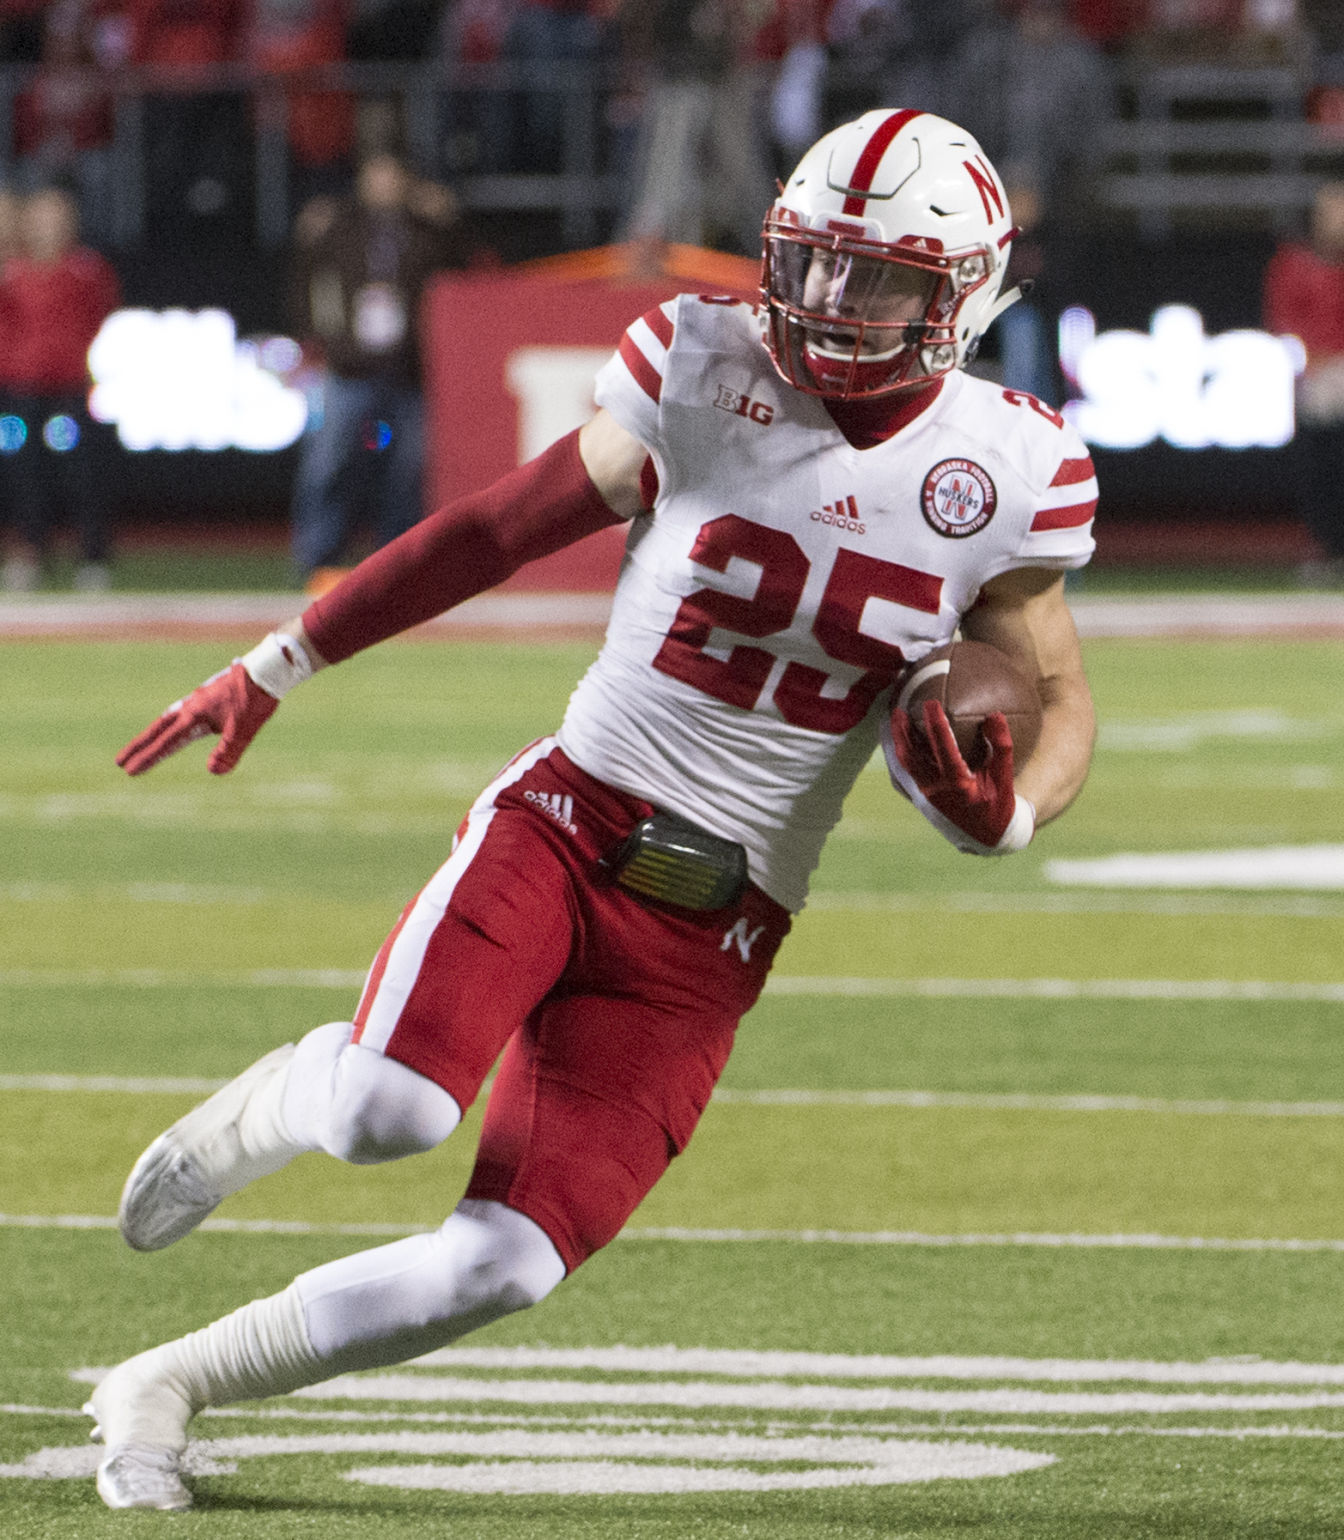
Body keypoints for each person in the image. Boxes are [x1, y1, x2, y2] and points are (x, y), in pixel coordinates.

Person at [90, 108, 1098, 1511]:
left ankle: (167, 1382)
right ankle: (272, 1104)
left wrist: (1015, 819)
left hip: (719, 929)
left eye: (878, 282)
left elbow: (1057, 691)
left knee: (506, 1263)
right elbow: (496, 527)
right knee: (388, 1110)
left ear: (966, 295)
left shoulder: (1012, 466)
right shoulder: (702, 364)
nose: (831, 307)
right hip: (570, 822)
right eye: (813, 266)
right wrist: (281, 659)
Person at [287, 148, 474, 588]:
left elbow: (461, 278)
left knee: (409, 468)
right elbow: (306, 277)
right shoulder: (340, 225)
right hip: (349, 366)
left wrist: (448, 220)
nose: (383, 184)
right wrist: (324, 340)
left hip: (407, 368)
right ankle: (316, 556)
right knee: (329, 462)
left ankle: (399, 558)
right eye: (376, 174)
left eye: (392, 175)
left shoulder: (424, 229)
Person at [0, 179, 120, 591]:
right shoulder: (12, 274)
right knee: (23, 473)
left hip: (68, 389)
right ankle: (32, 551)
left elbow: (101, 312)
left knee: (80, 472)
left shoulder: (85, 269)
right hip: (20, 390)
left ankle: (92, 554)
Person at [1263, 178, 1344, 583]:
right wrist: (1313, 359)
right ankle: (1326, 547)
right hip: (1318, 373)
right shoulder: (1295, 262)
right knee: (1322, 465)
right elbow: (1284, 319)